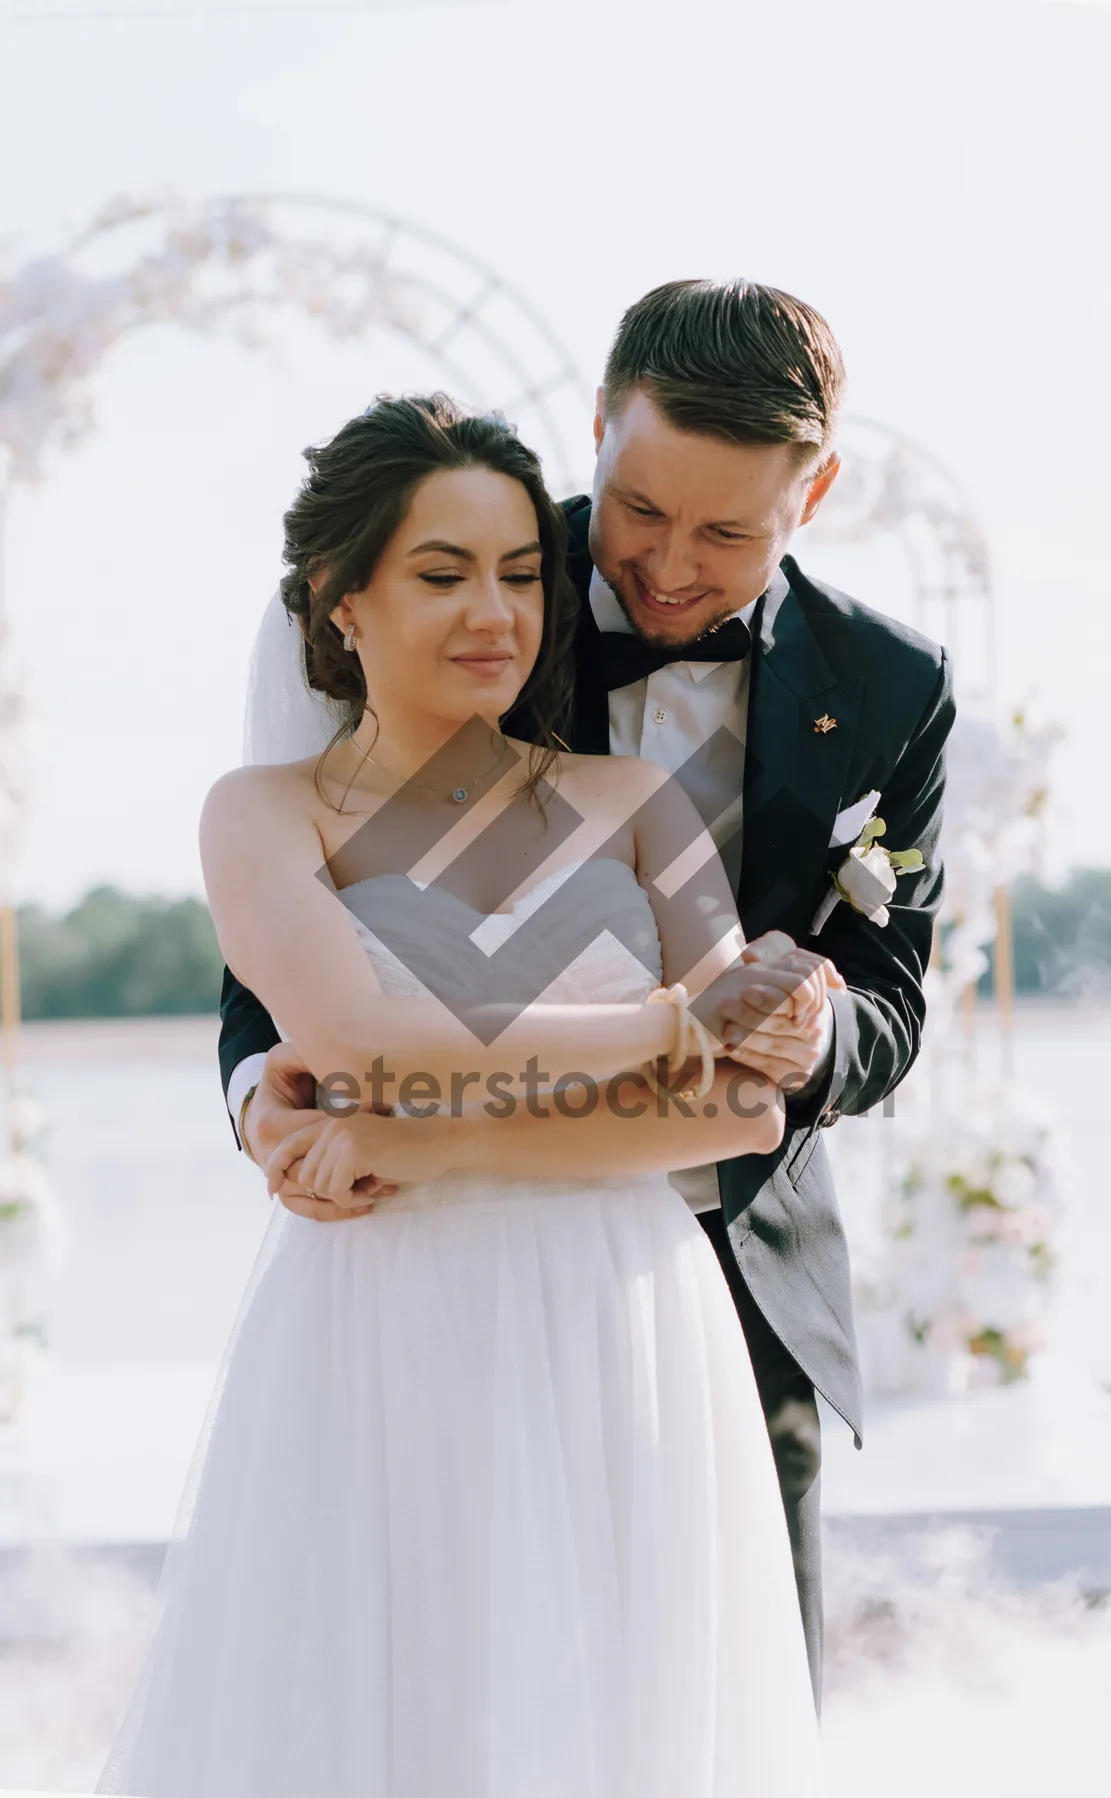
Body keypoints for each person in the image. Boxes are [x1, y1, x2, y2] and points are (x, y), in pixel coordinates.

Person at [222, 280, 956, 1703]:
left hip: (720, 1268)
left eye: (729, 532)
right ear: (599, 431)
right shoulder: (463, 576)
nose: (669, 567)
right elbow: (300, 902)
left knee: (718, 1710)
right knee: (420, 1686)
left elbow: (891, 991)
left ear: (819, 492)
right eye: (638, 510)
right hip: (418, 1248)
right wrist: (267, 1097)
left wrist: (810, 1033)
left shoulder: (892, 686)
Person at [99, 391, 831, 1797]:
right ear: (343, 601)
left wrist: (427, 1148)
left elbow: (744, 1108)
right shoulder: (265, 813)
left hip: (628, 1308)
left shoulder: (633, 803)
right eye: (442, 574)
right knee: (400, 1709)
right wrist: (671, 1016)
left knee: (621, 1710)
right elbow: (364, 1036)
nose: (494, 611)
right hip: (384, 1320)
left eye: (518, 573)